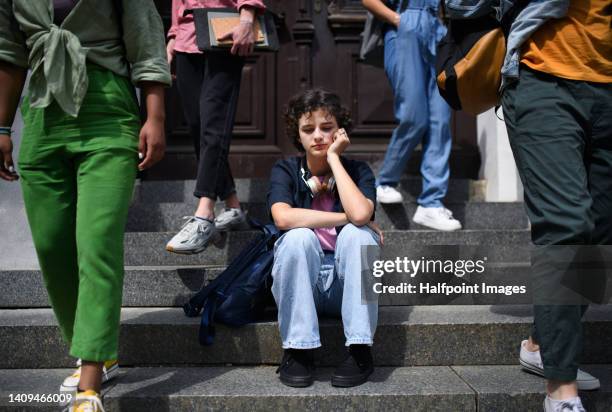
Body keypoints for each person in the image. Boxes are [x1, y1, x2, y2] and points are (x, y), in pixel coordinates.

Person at [0, 0, 171, 410]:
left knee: (96, 242)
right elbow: (9, 52)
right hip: (42, 116)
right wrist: (3, 126)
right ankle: (99, 345)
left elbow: (146, 44)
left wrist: (155, 118)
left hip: (107, 114)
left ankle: (89, 382)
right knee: (52, 243)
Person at [446, 0, 611, 410]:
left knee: (600, 234)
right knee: (566, 224)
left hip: (607, 86)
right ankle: (561, 391)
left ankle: (541, 341)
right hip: (542, 79)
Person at [268, 89, 383, 388]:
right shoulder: (286, 170)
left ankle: (360, 350)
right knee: (297, 238)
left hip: (344, 286)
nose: (318, 135)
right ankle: (298, 351)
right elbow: (282, 218)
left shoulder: (357, 171)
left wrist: (334, 158)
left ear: (340, 130)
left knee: (360, 238)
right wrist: (346, 218)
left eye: (326, 128)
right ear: (299, 135)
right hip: (301, 285)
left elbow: (360, 215)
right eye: (308, 129)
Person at [165, 0, 266, 254]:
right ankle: (233, 207)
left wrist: (247, 18)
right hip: (187, 35)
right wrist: (174, 35)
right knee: (198, 125)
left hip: (225, 30)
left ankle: (204, 214)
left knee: (213, 122)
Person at [361, 0, 462, 232]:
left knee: (440, 121)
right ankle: (385, 181)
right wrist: (400, 20)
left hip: (438, 31)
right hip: (405, 26)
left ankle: (431, 203)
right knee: (414, 116)